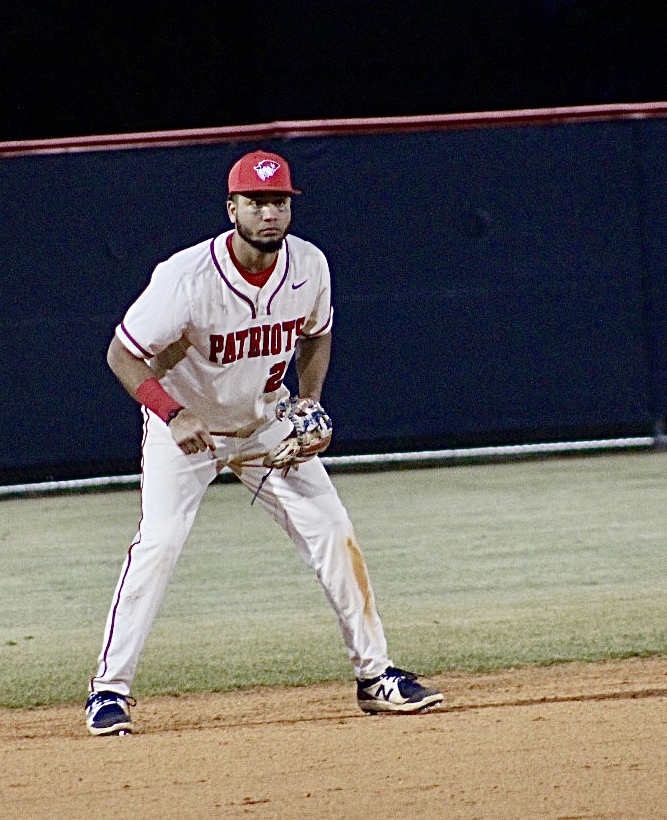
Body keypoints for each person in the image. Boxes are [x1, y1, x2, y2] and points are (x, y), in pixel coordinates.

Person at [86, 149, 443, 735]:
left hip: (264, 424)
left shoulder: (310, 266)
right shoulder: (186, 278)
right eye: (256, 202)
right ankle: (109, 692)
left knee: (332, 531)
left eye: (279, 202)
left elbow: (315, 336)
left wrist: (308, 401)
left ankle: (376, 677)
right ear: (233, 208)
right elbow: (121, 354)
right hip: (188, 430)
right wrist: (171, 413)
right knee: (160, 543)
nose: (269, 213)